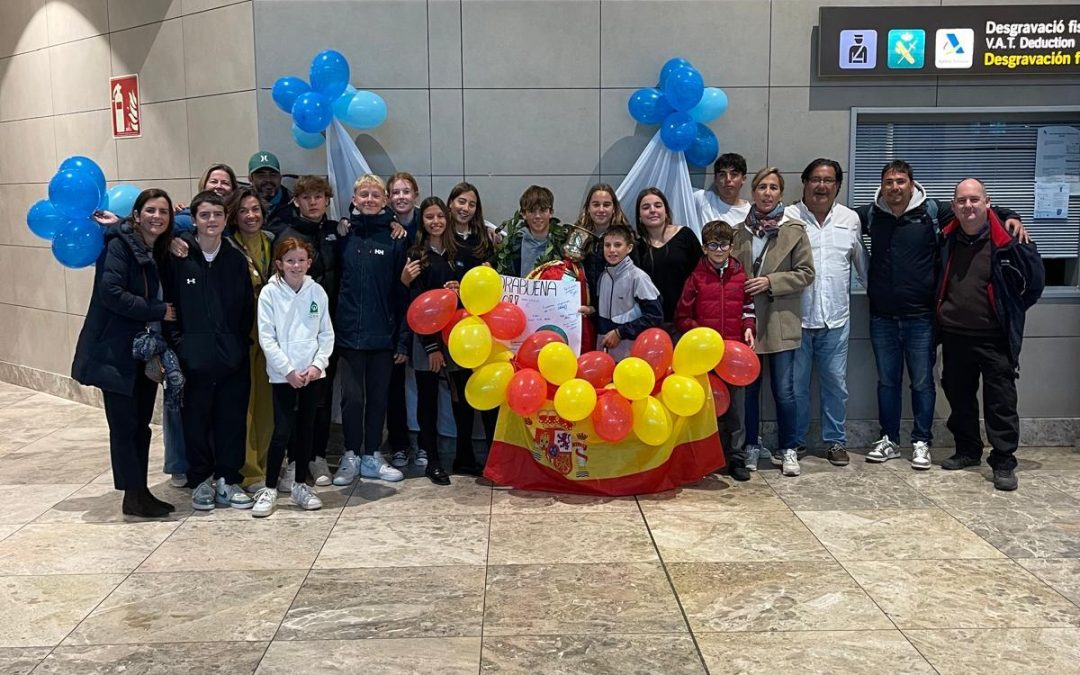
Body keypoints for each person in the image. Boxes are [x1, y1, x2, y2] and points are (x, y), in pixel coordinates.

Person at [857, 160, 1024, 469]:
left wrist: (1010, 216)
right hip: (882, 317)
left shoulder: (933, 211)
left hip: (922, 318)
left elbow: (974, 209)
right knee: (887, 382)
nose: (895, 187)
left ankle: (922, 441)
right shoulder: (870, 216)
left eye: (901, 181)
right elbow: (834, 221)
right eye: (889, 182)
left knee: (922, 382)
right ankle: (889, 439)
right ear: (881, 186)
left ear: (912, 184)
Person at [72, 189, 178, 518]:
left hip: (141, 352)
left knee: (140, 425)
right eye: (150, 210)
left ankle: (139, 491)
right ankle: (131, 496)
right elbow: (112, 293)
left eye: (163, 211)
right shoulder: (118, 247)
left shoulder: (152, 248)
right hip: (114, 352)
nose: (157, 217)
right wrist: (159, 310)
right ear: (137, 215)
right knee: (124, 426)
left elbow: (190, 225)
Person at [936, 178, 1044, 490]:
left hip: (994, 337)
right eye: (962, 201)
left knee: (1000, 401)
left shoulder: (1010, 239)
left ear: (987, 202)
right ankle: (968, 450)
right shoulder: (947, 237)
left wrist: (1009, 309)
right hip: (955, 334)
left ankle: (1004, 462)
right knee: (960, 398)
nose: (968, 206)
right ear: (954, 205)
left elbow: (1034, 285)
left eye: (974, 200)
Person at [163, 191, 255, 510]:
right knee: (196, 421)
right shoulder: (179, 256)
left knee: (231, 421)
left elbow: (246, 308)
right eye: (204, 215)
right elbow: (169, 307)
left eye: (217, 214)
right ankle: (201, 480)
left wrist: (237, 344)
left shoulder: (234, 259)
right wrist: (181, 345)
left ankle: (228, 480)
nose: (211, 221)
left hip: (232, 358)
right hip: (194, 359)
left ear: (225, 219)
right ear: (195, 219)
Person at [733, 168, 815, 477]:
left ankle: (788, 448)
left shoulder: (794, 230)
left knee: (785, 390)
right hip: (748, 323)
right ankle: (752, 444)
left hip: (781, 320)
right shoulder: (739, 232)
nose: (767, 193)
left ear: (781, 194)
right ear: (752, 192)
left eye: (773, 188)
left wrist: (770, 281)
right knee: (750, 391)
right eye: (762, 187)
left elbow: (806, 273)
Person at [786, 159, 868, 467]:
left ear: (837, 186)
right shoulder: (788, 217)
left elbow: (862, 263)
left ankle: (835, 442)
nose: (822, 185)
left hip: (836, 318)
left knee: (836, 384)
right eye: (816, 179)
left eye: (829, 180)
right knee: (797, 386)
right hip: (796, 318)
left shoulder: (850, 219)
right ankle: (795, 441)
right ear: (805, 183)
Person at [265, 175, 344, 486]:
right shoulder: (284, 234)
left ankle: (316, 456)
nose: (313, 202)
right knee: (287, 405)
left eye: (319, 197)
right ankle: (291, 460)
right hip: (288, 339)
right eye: (307, 197)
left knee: (320, 398)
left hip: (325, 331)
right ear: (296, 201)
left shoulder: (337, 231)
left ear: (327, 201)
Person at [331, 174, 408, 486]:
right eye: (364, 194)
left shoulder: (395, 239)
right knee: (352, 398)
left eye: (376, 195)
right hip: (348, 334)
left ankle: (372, 455)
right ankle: (350, 454)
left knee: (378, 397)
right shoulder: (343, 237)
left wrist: (401, 339)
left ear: (385, 200)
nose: (370, 200)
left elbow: (403, 293)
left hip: (383, 335)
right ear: (354, 199)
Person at [254, 236, 335, 516]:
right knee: (282, 430)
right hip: (283, 376)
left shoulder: (317, 292)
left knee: (306, 430)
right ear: (279, 263)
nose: (296, 265)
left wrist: (317, 365)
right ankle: (270, 488)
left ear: (309, 262)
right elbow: (267, 337)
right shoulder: (269, 294)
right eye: (290, 260)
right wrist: (287, 369)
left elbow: (326, 333)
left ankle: (301, 483)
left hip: (313, 374)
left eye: (301, 260)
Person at [675, 220, 756, 481]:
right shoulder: (695, 278)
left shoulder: (741, 275)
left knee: (737, 409)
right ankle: (707, 459)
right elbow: (682, 315)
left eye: (723, 244)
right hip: (705, 357)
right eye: (713, 244)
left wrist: (748, 327)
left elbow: (748, 307)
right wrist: (701, 337)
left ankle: (736, 458)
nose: (718, 250)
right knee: (707, 408)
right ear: (704, 247)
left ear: (732, 246)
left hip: (734, 355)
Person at [400, 197, 464, 485]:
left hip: (457, 337)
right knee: (427, 401)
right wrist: (432, 347)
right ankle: (433, 461)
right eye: (429, 217)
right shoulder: (416, 254)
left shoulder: (456, 251)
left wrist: (459, 290)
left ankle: (464, 458)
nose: (436, 221)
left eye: (440, 215)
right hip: (428, 340)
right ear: (422, 221)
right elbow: (416, 302)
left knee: (461, 398)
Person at [444, 182, 498, 469]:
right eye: (460, 201)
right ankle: (462, 456)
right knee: (461, 395)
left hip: (487, 329)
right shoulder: (440, 237)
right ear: (450, 203)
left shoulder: (484, 239)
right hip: (456, 330)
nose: (465, 208)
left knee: (488, 392)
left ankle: (493, 456)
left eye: (471, 204)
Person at [225, 188, 275, 492]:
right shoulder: (229, 247)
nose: (251, 215)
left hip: (270, 332)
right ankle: (249, 470)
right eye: (244, 210)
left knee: (268, 403)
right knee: (246, 405)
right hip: (243, 334)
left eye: (255, 209)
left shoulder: (271, 243)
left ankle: (269, 465)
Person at [385, 172, 422, 470]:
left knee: (425, 382)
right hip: (394, 313)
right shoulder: (384, 226)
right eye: (395, 192)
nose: (401, 197)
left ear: (416, 194)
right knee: (394, 383)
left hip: (426, 314)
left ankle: (425, 443)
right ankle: (398, 444)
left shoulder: (430, 221)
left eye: (406, 191)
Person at [632, 187, 703, 333]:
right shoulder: (635, 247)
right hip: (650, 323)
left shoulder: (685, 235)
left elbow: (702, 275)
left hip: (687, 321)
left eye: (658, 205)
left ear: (666, 211)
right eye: (646, 207)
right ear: (639, 216)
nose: (652, 210)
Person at [596, 224, 663, 361]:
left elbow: (654, 316)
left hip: (630, 356)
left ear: (629, 248)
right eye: (607, 245)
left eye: (618, 245)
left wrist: (620, 333)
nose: (612, 250)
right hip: (604, 356)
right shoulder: (603, 276)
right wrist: (592, 310)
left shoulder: (638, 277)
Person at [494, 185, 568, 277]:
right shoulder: (514, 244)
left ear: (551, 212)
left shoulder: (563, 244)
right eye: (532, 211)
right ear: (524, 214)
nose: (537, 216)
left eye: (543, 210)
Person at [574, 183, 631, 300]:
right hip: (582, 306)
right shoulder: (576, 236)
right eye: (596, 205)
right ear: (588, 208)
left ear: (614, 208)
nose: (601, 209)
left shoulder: (626, 238)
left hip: (614, 308)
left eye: (606, 205)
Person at [694, 153, 752, 226]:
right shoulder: (703, 199)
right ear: (715, 179)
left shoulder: (749, 215)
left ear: (743, 179)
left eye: (734, 174)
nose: (728, 179)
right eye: (722, 175)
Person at [248, 151, 292, 224]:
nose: (268, 179)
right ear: (250, 179)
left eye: (273, 174)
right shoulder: (241, 203)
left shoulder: (294, 204)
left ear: (280, 177)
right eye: (261, 175)